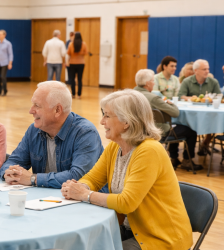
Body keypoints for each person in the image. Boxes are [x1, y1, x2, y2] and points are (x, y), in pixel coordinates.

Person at [61, 89, 192, 250]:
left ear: (126, 122)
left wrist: (84, 194)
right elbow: (93, 179)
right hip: (131, 230)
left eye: (107, 115)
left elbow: (127, 203)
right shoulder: (114, 148)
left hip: (159, 237)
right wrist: (81, 187)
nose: (102, 121)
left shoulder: (149, 151)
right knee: (74, 244)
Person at [0, 81, 105, 190]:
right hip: (45, 200)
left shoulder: (85, 133)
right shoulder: (34, 130)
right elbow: (12, 162)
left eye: (37, 105)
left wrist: (33, 179)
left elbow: (78, 178)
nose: (31, 111)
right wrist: (8, 173)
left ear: (57, 110)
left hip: (85, 204)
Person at [134, 69, 201, 170]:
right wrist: (171, 103)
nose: (154, 83)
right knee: (190, 132)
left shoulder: (130, 94)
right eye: (153, 81)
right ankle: (187, 160)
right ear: (147, 83)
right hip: (157, 131)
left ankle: (174, 158)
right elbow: (175, 113)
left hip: (137, 130)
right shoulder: (154, 98)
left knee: (175, 127)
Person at [179, 59, 221, 155]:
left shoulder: (213, 82)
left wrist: (211, 99)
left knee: (213, 121)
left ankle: (206, 143)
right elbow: (181, 96)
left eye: (208, 69)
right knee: (188, 127)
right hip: (191, 114)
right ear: (196, 70)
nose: (207, 71)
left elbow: (219, 97)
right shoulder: (187, 81)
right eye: (204, 69)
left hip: (210, 114)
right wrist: (194, 98)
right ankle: (188, 154)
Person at [67, 32, 87, 99]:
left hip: (72, 63)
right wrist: (80, 53)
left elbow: (68, 53)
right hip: (81, 63)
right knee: (80, 79)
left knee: (72, 79)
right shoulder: (83, 44)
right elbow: (86, 53)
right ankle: (79, 95)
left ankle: (73, 94)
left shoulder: (71, 44)